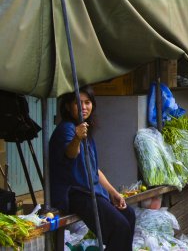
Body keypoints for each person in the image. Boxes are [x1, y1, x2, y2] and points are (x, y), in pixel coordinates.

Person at [49, 86, 135, 251]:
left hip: (90, 191)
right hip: (74, 194)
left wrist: (113, 193)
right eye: (78, 103)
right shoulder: (67, 129)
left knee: (128, 215)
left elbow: (94, 169)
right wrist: (77, 138)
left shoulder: (85, 130)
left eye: (87, 102)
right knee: (120, 228)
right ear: (68, 106)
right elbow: (71, 154)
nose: (84, 107)